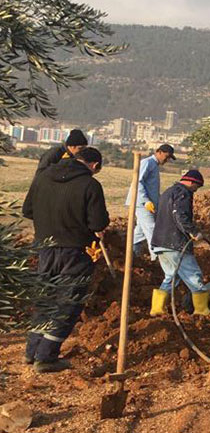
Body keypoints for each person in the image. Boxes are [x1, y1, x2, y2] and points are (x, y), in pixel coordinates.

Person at [22, 147, 109, 373]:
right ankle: (46, 356)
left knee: (45, 299)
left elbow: (27, 210)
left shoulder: (43, 177)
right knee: (68, 302)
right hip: (74, 251)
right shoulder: (90, 185)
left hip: (43, 249)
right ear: (94, 165)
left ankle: (31, 352)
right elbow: (98, 224)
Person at [149, 170, 210, 316]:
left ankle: (157, 309)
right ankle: (201, 310)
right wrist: (193, 232)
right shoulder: (183, 193)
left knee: (171, 277)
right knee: (194, 275)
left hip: (160, 242)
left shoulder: (168, 192)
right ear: (191, 182)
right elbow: (180, 216)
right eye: (197, 186)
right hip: (175, 244)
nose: (196, 190)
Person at [125, 144, 176, 259]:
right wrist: (146, 201)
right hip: (141, 203)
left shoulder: (154, 165)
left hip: (149, 204)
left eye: (169, 158)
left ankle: (132, 254)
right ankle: (157, 258)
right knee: (152, 230)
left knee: (140, 232)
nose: (167, 160)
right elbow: (137, 182)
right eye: (166, 157)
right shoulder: (147, 163)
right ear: (159, 152)